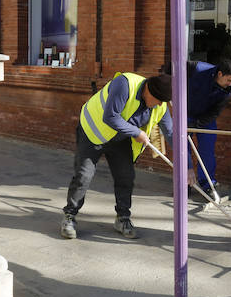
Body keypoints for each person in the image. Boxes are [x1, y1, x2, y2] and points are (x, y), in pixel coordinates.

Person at [61, 72, 173, 240]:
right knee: (83, 175)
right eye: (157, 101)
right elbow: (110, 116)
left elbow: (171, 134)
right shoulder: (125, 84)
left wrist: (187, 167)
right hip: (92, 132)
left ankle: (122, 218)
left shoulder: (160, 106)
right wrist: (136, 132)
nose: (158, 105)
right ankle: (69, 216)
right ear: (149, 91)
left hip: (120, 138)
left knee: (126, 177)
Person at [187, 58, 231, 197]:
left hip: (206, 119)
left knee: (207, 150)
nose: (230, 84)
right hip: (185, 114)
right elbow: (173, 67)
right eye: (229, 80)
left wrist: (196, 125)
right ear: (220, 74)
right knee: (183, 150)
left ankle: (207, 184)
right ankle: (184, 183)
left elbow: (215, 112)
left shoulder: (230, 88)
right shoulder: (197, 68)